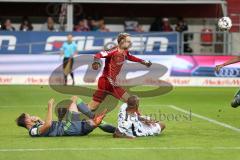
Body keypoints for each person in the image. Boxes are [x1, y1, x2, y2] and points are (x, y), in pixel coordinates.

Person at [89, 32, 152, 111]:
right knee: (92, 108)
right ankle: (75, 108)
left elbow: (131, 57)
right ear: (122, 41)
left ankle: (138, 120)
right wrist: (96, 62)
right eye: (128, 41)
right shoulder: (113, 51)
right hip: (105, 82)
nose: (130, 43)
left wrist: (143, 62)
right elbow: (99, 54)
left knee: (131, 102)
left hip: (112, 83)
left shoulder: (125, 52)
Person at [16, 96, 107, 137]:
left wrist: (39, 119)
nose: (31, 116)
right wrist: (50, 106)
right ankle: (93, 118)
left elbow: (45, 126)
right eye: (29, 116)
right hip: (68, 128)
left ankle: (95, 121)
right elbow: (48, 124)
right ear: (27, 121)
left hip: (71, 128)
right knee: (74, 99)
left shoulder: (36, 126)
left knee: (94, 123)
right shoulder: (33, 131)